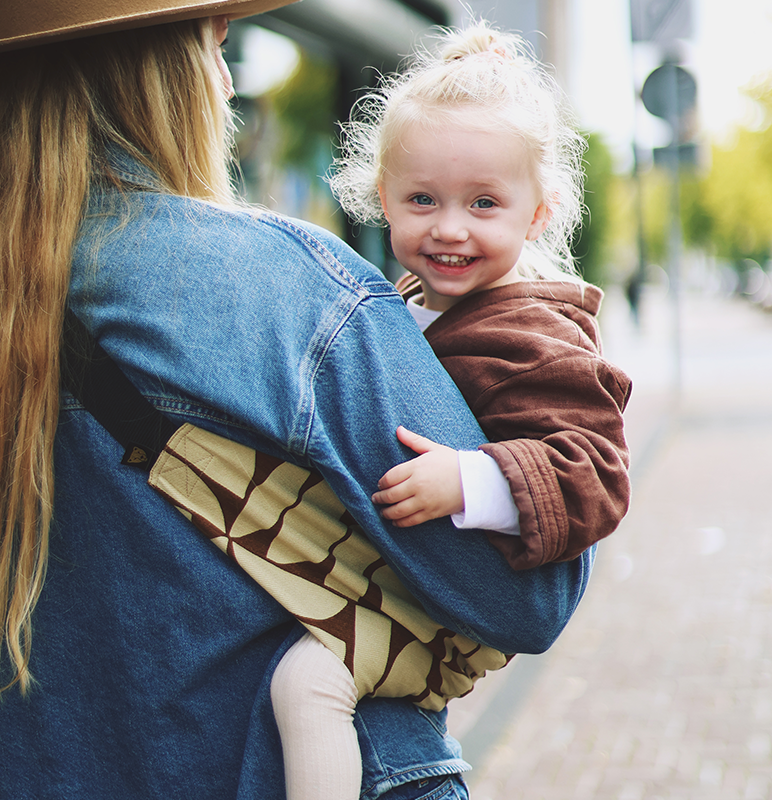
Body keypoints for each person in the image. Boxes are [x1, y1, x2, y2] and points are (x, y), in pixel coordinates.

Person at [0, 3, 597, 799]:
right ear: (164, 72)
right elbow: (532, 597)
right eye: (214, 48)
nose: (225, 80)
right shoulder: (283, 290)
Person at [268, 21, 632, 800]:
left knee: (306, 685)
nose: (450, 228)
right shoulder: (402, 304)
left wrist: (473, 479)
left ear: (539, 213)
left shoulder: (535, 331)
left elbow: (596, 472)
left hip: (451, 606)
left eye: (484, 203)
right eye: (422, 199)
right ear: (383, 198)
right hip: (393, 575)